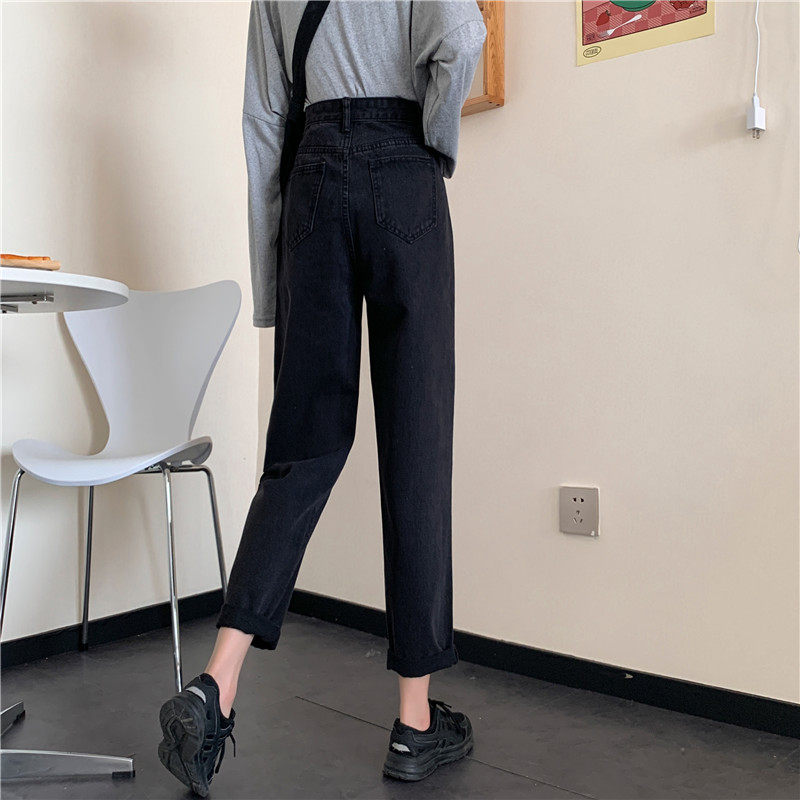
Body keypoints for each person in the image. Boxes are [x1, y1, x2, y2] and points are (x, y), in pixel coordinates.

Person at [157, 0, 486, 795]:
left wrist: (273, 284)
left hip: (311, 182)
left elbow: (264, 121)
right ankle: (414, 723)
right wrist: (433, 142)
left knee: (300, 449)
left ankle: (216, 684)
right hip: (401, 166)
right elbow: (462, 35)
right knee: (416, 443)